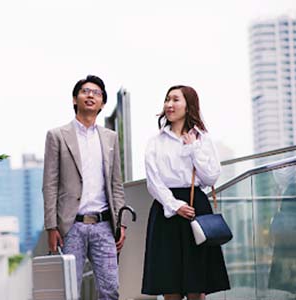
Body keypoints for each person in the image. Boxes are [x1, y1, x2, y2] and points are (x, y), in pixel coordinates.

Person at [141, 85, 230, 300]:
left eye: (175, 100)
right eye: (167, 100)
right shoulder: (155, 142)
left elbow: (210, 177)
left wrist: (193, 149)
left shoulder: (203, 139)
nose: (169, 104)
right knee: (169, 282)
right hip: (166, 211)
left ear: (189, 105)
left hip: (196, 208)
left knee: (196, 285)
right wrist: (174, 205)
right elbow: (153, 182)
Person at [43, 75, 126, 299]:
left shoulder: (110, 138)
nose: (91, 95)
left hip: (104, 225)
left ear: (102, 104)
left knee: (110, 289)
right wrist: (51, 226)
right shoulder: (57, 136)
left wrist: (121, 223)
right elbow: (49, 184)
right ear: (74, 99)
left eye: (97, 93)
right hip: (70, 227)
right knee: (68, 290)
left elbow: (116, 184)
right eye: (85, 91)